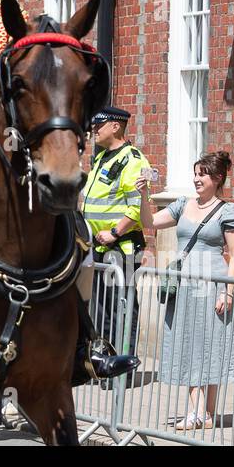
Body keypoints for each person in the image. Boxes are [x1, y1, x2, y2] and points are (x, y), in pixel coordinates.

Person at [143, 150, 234, 430]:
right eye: (196, 174)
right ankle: (198, 411)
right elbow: (149, 222)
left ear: (218, 177)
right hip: (185, 287)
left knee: (210, 346)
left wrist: (229, 291)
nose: (196, 179)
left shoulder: (228, 211)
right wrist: (142, 196)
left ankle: (205, 413)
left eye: (202, 174)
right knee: (189, 345)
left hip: (213, 284)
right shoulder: (182, 205)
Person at [83, 106, 153, 354]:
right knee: (100, 308)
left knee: (120, 307)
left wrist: (114, 232)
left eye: (98, 126)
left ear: (115, 126)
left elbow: (135, 206)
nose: (94, 131)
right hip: (97, 244)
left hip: (120, 245)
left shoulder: (133, 160)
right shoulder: (102, 157)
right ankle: (102, 361)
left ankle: (122, 367)